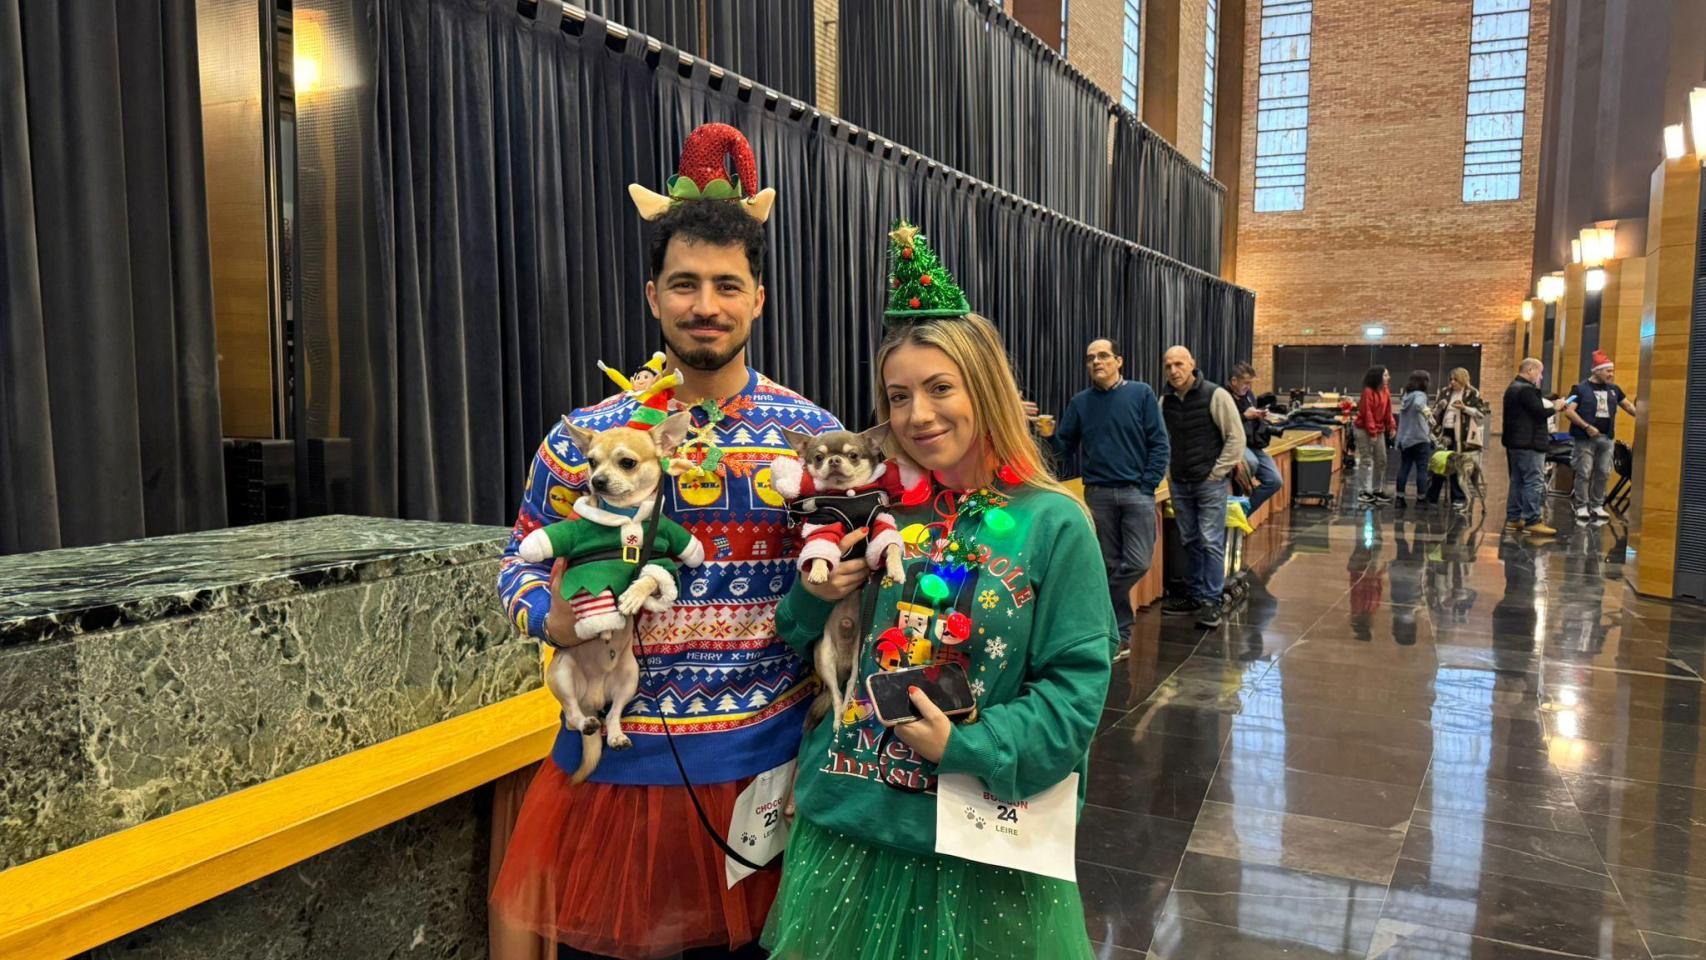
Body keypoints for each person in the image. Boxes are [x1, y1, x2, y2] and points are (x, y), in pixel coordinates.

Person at [490, 125, 839, 960]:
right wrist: (555, 621)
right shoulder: (584, 436)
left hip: (764, 774)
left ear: (759, 298)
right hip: (614, 770)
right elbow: (519, 559)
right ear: (653, 296)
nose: (705, 305)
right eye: (684, 284)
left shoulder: (810, 438)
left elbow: (846, 587)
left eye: (728, 284)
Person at [763, 224, 1116, 960]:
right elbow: (797, 634)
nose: (917, 415)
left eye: (939, 388)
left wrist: (968, 743)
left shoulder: (1053, 524)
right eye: (898, 396)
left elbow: (1077, 689)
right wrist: (818, 595)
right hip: (854, 823)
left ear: (983, 388)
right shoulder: (871, 510)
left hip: (982, 843)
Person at [1049, 337, 1170, 645]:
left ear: (1119, 361)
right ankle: (1120, 635)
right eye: (1091, 358)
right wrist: (1046, 434)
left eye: (1103, 356)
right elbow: (1061, 448)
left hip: (1136, 493)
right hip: (1098, 494)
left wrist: (1148, 484)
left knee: (1139, 562)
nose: (1096, 362)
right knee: (1109, 564)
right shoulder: (1080, 402)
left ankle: (1093, 603)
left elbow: (1159, 442)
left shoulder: (1140, 394)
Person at [1160, 346, 1246, 629]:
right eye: (1169, 365)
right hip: (1180, 484)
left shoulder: (1215, 394)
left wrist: (1217, 473)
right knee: (1191, 541)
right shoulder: (1166, 401)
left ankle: (1212, 600)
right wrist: (1169, 473)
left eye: (1179, 364)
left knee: (1210, 541)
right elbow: (1164, 441)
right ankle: (1195, 595)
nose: (1174, 370)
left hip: (1208, 484)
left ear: (1192, 364)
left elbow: (1236, 437)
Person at [1562, 349, 1637, 523]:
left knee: (1603, 471)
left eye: (1612, 371)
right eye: (1608, 371)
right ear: (1596, 370)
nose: (1611, 374)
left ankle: (1597, 505)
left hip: (1606, 437)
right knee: (1584, 472)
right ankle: (1581, 506)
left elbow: (1628, 406)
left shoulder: (1614, 389)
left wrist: (1643, 416)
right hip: (1585, 438)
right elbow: (1568, 411)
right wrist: (1586, 426)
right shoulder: (1579, 389)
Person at [1502, 358, 1558, 538]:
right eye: (1540, 372)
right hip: (1530, 442)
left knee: (1517, 480)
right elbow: (1539, 412)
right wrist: (1555, 408)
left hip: (1514, 442)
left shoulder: (1512, 387)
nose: (1541, 377)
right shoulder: (1526, 389)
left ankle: (1514, 518)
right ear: (1531, 370)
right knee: (1533, 480)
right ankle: (1533, 520)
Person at [1425, 367, 1487, 508]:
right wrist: (1439, 407)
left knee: (1458, 465)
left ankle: (1457, 498)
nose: (1452, 382)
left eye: (1455, 379)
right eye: (1451, 379)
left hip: (1462, 435)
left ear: (1463, 380)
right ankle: (1432, 496)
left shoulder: (1472, 393)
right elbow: (1434, 414)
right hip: (1444, 432)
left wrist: (1464, 408)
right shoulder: (1445, 392)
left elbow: (1481, 414)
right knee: (1439, 463)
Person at [1227, 362, 1283, 514]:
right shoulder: (1223, 397)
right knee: (1251, 462)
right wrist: (1244, 416)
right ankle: (1237, 504)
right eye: (1246, 383)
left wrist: (1259, 415)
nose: (1248, 387)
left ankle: (1242, 513)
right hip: (1234, 443)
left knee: (1275, 481)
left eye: (1250, 384)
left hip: (1253, 443)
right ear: (1234, 381)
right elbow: (1221, 424)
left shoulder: (1250, 396)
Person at [1353, 366, 1397, 506]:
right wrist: (1372, 432)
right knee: (1366, 459)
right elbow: (1367, 413)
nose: (1388, 378)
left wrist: (1392, 426)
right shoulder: (1368, 392)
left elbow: (1388, 411)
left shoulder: (1385, 391)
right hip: (1363, 429)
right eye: (1385, 375)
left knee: (1382, 459)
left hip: (1378, 429)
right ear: (1377, 377)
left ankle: (1377, 490)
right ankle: (1363, 491)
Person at [1393, 370, 1433, 508]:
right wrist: (1427, 412)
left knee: (1404, 468)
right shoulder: (1420, 395)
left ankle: (1399, 498)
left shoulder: (1406, 396)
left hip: (1406, 439)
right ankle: (1421, 499)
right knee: (1422, 470)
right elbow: (1418, 404)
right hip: (1420, 439)